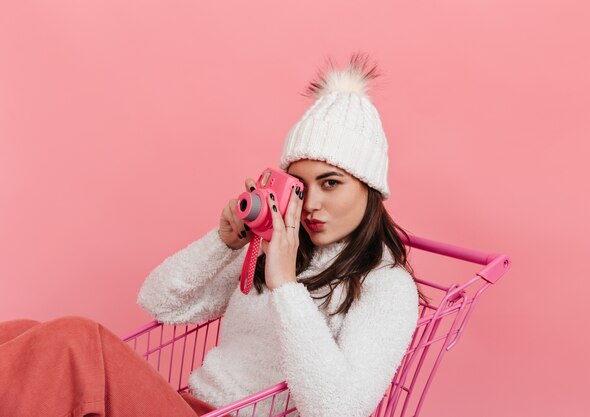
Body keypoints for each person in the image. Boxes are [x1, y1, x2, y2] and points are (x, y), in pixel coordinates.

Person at [0, 52, 422, 417]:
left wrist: (286, 288)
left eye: (331, 183)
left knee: (73, 343)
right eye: (300, 185)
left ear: (370, 189)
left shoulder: (386, 287)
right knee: (19, 334)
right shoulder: (275, 246)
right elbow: (160, 303)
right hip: (186, 404)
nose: (311, 204)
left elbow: (338, 408)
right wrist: (224, 242)